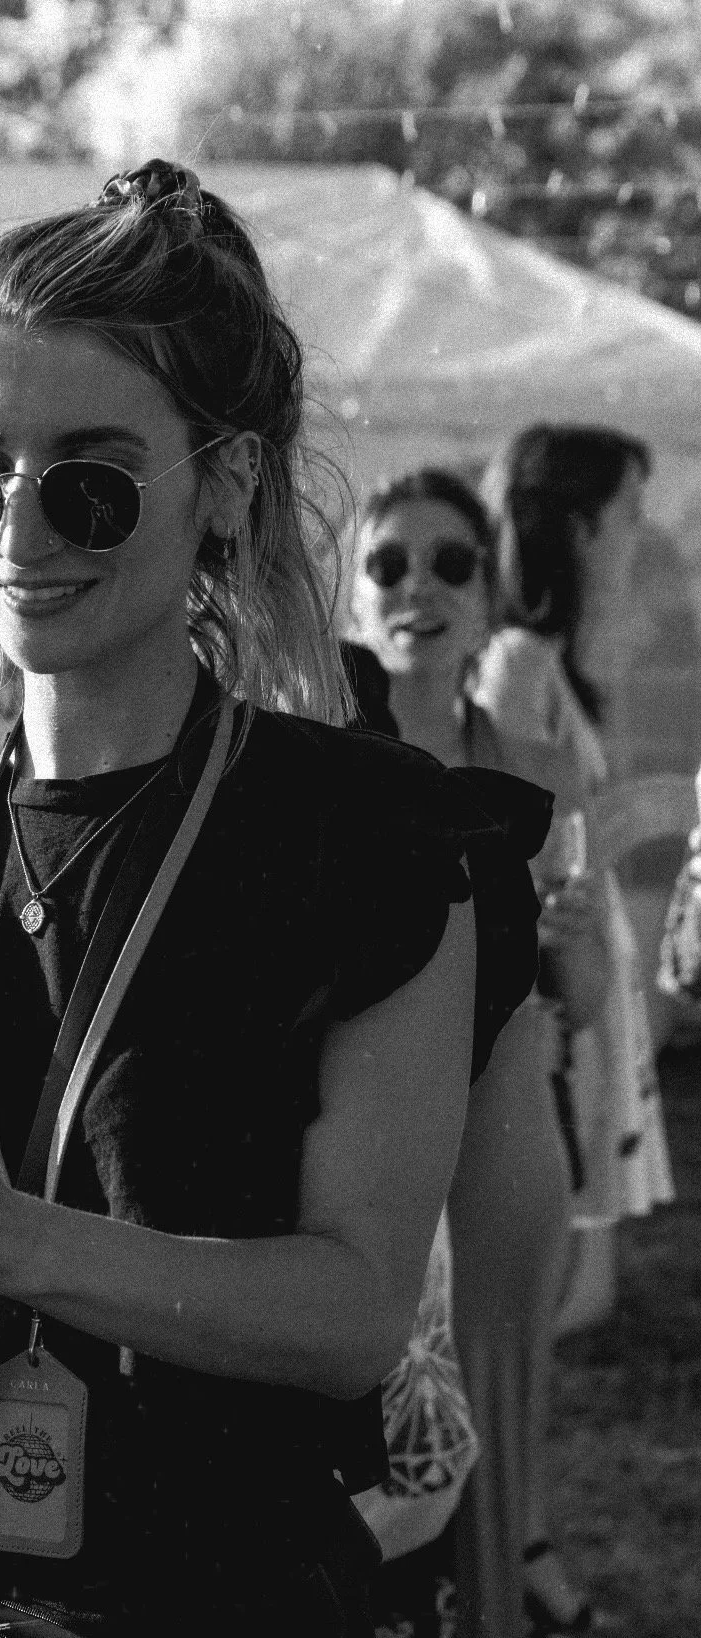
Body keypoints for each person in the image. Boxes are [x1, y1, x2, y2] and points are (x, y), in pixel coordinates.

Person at [0, 162, 547, 1638]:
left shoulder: (370, 841)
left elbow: (357, 1313)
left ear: (224, 483)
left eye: (90, 479)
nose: (19, 533)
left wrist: (6, 1236)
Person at [344, 468, 610, 1638]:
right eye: (388, 564)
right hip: (357, 1151)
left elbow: (592, 1002)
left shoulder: (543, 771)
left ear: (490, 592)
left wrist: (564, 941)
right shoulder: (312, 759)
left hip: (503, 1143)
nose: (419, 587)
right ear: (352, 599)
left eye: (452, 562)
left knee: (492, 1431)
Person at [476, 427, 675, 1575]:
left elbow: (577, 829)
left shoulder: (553, 661)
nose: (642, 532)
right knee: (544, 1294)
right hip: (548, 1008)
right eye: (633, 507)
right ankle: (497, 1523)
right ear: (582, 523)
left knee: (573, 1288)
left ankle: (515, 1523)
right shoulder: (512, 666)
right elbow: (525, 846)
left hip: (588, 995)